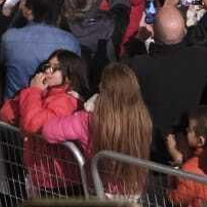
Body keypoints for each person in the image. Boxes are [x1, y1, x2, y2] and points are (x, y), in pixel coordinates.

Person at [39, 63, 156, 197]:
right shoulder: (143, 118)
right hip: (133, 189)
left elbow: (48, 131)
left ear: (102, 88)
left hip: (102, 190)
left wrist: (83, 106)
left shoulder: (88, 119)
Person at [129, 0, 207, 162]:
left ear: (153, 33)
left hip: (153, 149)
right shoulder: (202, 57)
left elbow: (119, 74)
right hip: (188, 146)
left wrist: (138, 40)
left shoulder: (139, 66)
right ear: (184, 31)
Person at [0, 50, 90, 196]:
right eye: (47, 66)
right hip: (41, 175)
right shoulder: (42, 94)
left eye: (54, 68)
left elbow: (32, 125)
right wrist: (32, 93)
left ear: (69, 77)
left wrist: (33, 92)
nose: (48, 71)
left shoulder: (68, 101)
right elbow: (6, 113)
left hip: (61, 179)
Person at [1, 0, 81, 98]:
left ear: (29, 8)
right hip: (55, 106)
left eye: (23, 0)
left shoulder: (9, 38)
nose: (20, 5)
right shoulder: (71, 42)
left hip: (17, 104)